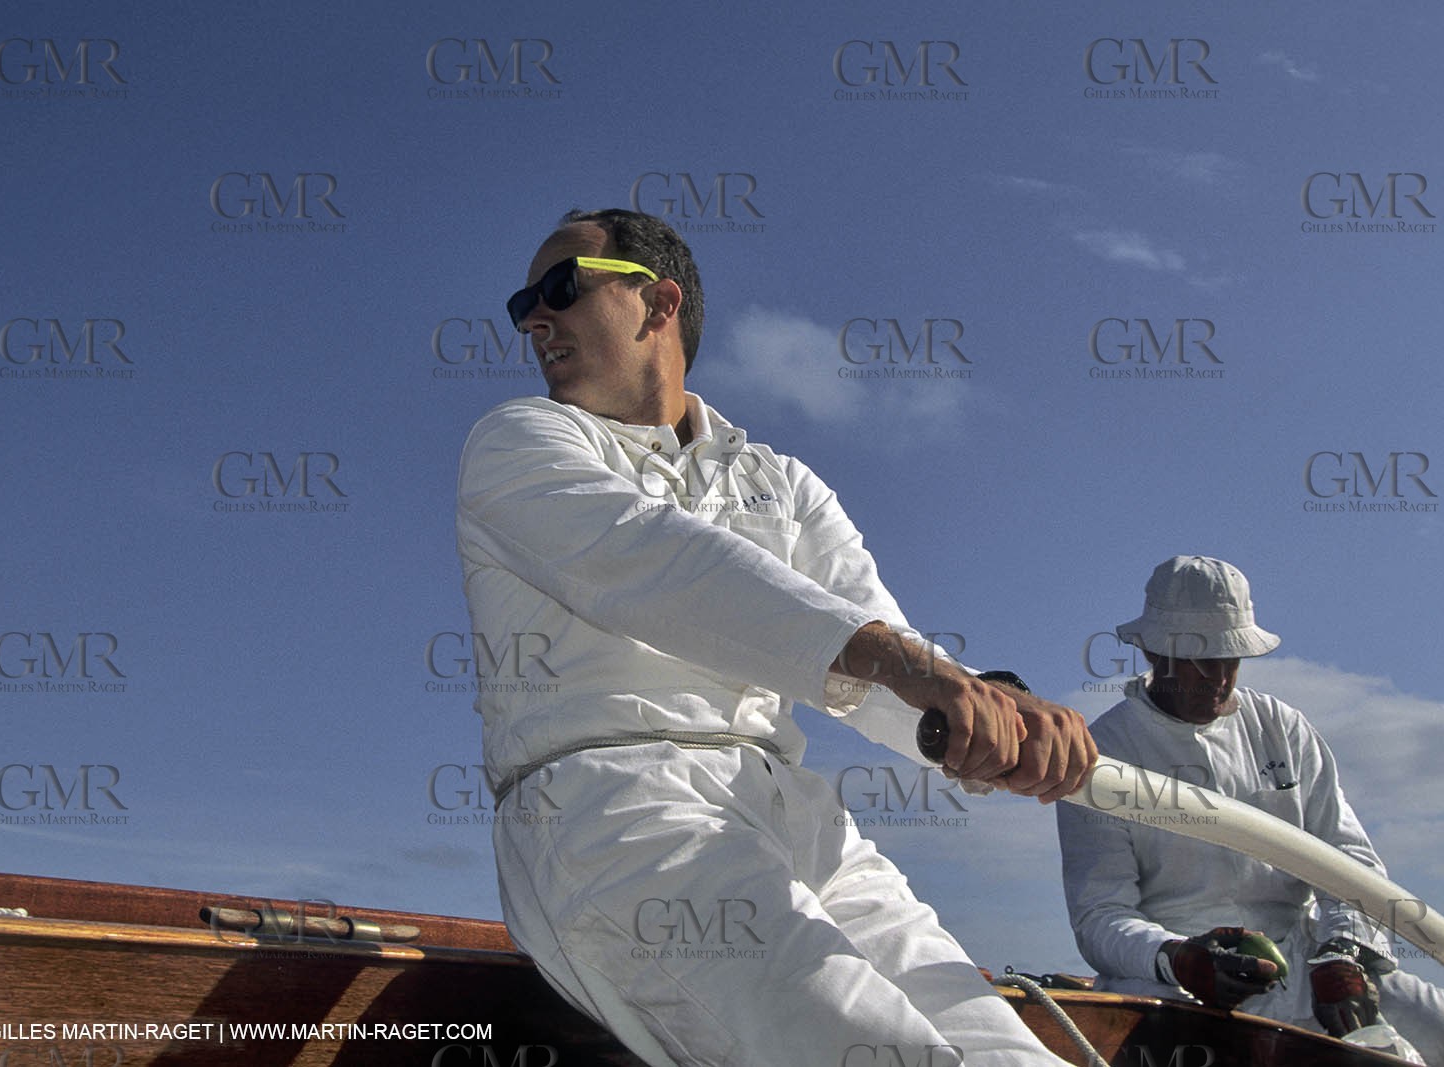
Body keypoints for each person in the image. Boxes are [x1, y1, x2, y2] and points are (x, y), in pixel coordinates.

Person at [455, 207, 1098, 1066]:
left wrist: (992, 720)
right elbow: (658, 562)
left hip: (791, 811)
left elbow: (882, 655)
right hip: (618, 809)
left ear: (659, 303)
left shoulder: (782, 483)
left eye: (560, 289)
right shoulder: (519, 441)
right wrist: (913, 665)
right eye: (522, 304)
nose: (535, 318)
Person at [1056, 555, 1444, 1066]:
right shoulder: (1103, 753)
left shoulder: (1282, 726)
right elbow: (1101, 916)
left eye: (1230, 658)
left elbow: (1351, 862)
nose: (1218, 678)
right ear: (1152, 651)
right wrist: (1178, 958)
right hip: (1179, 984)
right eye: (1201, 659)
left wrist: (1341, 953)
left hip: (1305, 964)